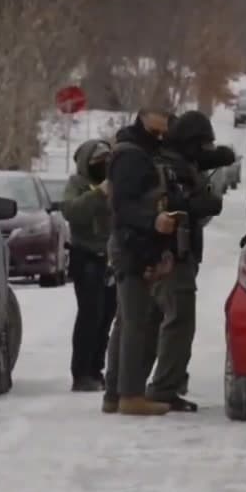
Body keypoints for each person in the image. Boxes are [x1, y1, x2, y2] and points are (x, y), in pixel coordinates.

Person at [144, 110, 236, 411]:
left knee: (161, 322)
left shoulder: (180, 159)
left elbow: (202, 160)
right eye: (201, 145)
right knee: (178, 322)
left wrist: (222, 155)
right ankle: (164, 387)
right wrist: (204, 203)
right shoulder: (169, 167)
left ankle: (155, 383)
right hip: (171, 253)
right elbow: (172, 203)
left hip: (174, 253)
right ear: (189, 142)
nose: (203, 153)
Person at [101, 105, 181, 416]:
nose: (162, 134)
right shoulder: (132, 156)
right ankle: (130, 394)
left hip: (134, 246)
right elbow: (123, 208)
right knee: (136, 322)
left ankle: (114, 393)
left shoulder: (141, 150)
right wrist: (154, 221)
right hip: (131, 246)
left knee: (126, 321)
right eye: (158, 128)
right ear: (144, 117)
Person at [60, 139, 115, 392]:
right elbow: (71, 211)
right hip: (87, 258)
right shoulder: (78, 185)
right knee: (90, 315)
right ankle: (81, 372)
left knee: (107, 316)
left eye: (107, 160)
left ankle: (96, 369)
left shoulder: (115, 182)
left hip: (112, 258)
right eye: (97, 161)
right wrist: (98, 193)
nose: (103, 165)